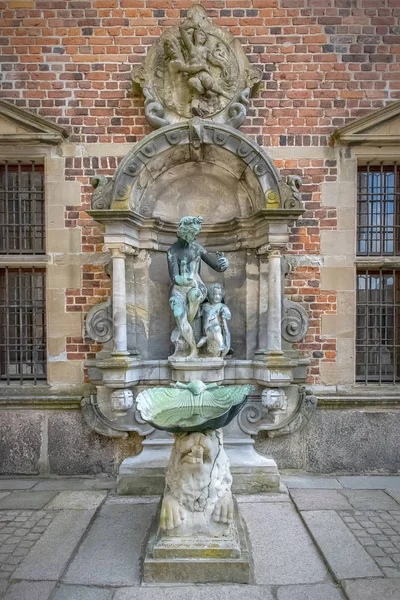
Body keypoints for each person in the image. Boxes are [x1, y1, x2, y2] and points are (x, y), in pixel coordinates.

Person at [167, 216, 229, 358]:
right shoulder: (172, 251)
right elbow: (174, 277)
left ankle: (183, 327)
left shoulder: (198, 249)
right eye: (193, 234)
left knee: (195, 296)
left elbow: (217, 266)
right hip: (179, 289)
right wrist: (187, 281)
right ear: (184, 232)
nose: (195, 237)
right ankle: (193, 348)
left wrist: (224, 262)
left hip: (197, 286)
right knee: (177, 312)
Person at [197, 283, 231, 357]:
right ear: (209, 294)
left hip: (216, 330)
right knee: (211, 331)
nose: (217, 297)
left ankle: (220, 344)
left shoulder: (222, 306)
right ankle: (205, 339)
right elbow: (197, 316)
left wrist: (224, 314)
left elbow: (228, 315)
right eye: (215, 294)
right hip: (207, 330)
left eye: (219, 294)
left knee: (216, 328)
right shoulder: (205, 306)